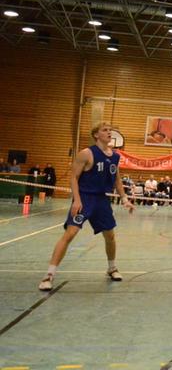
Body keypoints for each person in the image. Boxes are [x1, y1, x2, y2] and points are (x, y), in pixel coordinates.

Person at [38, 122, 135, 291]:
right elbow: (74, 178)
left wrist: (124, 198)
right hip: (85, 198)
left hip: (101, 200)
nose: (109, 133)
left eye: (110, 130)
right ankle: (49, 275)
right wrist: (76, 200)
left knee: (110, 235)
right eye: (105, 130)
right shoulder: (86, 153)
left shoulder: (115, 156)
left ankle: (112, 268)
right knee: (71, 233)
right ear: (96, 135)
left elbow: (117, 179)